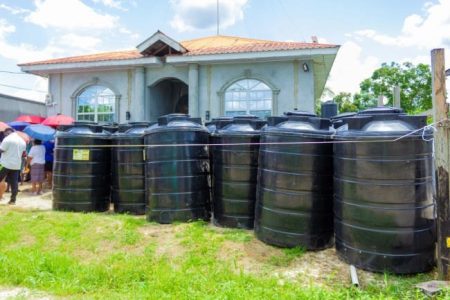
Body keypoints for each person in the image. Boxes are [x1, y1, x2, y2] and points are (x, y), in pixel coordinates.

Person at [0, 128, 27, 204]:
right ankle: (13, 200)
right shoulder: (22, 141)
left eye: (5, 134)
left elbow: (1, 150)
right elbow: (24, 154)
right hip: (16, 165)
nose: (4, 135)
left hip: (4, 164)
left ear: (8, 133)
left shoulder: (7, 139)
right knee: (14, 183)